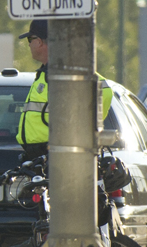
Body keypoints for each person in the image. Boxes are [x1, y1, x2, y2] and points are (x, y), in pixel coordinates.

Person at [17, 19, 112, 161]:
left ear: (39, 41)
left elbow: (104, 90)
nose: (29, 44)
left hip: (57, 156)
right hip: (40, 157)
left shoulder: (66, 70)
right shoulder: (47, 72)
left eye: (30, 39)